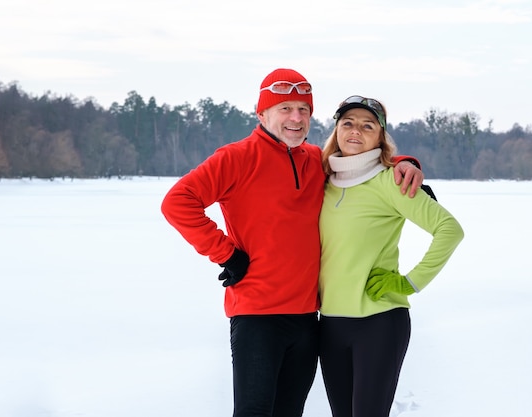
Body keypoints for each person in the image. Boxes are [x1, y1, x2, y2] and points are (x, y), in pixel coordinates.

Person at [160, 69, 424, 417]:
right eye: (285, 108)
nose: (296, 118)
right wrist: (226, 253)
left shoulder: (316, 160)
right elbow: (177, 202)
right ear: (262, 113)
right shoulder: (236, 158)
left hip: (306, 318)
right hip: (257, 316)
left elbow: (362, 163)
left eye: (303, 109)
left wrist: (405, 165)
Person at [318, 95, 464, 417]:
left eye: (368, 125)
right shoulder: (321, 182)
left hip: (379, 323)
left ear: (381, 137)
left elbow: (449, 230)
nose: (356, 131)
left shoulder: (391, 181)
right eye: (348, 123)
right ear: (336, 130)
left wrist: (410, 282)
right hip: (329, 325)